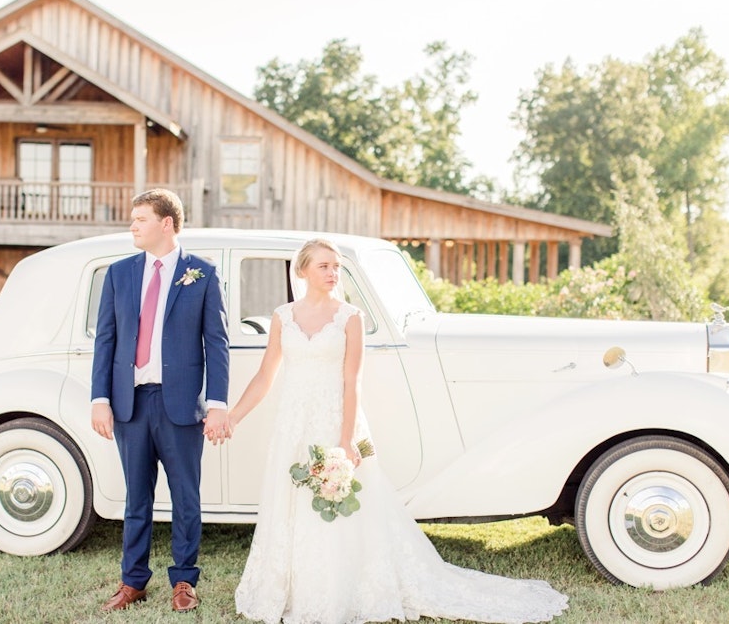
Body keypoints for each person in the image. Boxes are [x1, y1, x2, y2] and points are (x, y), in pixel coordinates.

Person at [228, 239, 569, 624]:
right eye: (323, 266)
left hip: (335, 421)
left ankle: (337, 590)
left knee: (342, 511)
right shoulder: (282, 317)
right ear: (302, 270)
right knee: (293, 506)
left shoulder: (349, 317)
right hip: (293, 425)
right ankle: (289, 588)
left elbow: (351, 380)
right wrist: (234, 416)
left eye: (336, 266)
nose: (332, 273)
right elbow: (265, 376)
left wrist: (345, 441)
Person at [90, 188, 230, 614]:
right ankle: (132, 581)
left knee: (186, 497)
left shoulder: (201, 273)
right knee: (137, 498)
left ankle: (184, 580)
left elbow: (217, 343)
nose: (132, 226)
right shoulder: (119, 273)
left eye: (141, 219)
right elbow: (107, 340)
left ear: (166, 223)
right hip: (129, 403)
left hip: (182, 406)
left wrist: (218, 403)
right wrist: (100, 397)